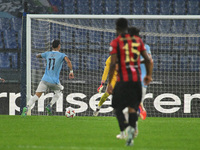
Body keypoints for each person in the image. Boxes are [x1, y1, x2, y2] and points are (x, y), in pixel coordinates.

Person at [108, 18, 153, 146]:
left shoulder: (116, 42)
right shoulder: (138, 41)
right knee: (133, 108)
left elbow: (112, 64)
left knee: (117, 107)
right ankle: (131, 136)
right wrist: (148, 76)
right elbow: (148, 60)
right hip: (136, 80)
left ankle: (127, 129)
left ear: (117, 28)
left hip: (123, 80)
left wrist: (110, 83)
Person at [21, 40, 74, 116]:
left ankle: (27, 107)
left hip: (45, 80)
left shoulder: (47, 54)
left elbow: (38, 56)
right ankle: (50, 105)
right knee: (59, 91)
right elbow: (68, 61)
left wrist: (38, 54)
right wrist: (71, 71)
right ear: (59, 46)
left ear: (52, 46)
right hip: (54, 81)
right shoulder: (62, 55)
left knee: (36, 95)